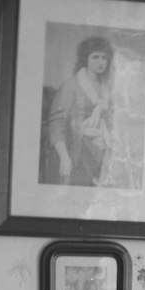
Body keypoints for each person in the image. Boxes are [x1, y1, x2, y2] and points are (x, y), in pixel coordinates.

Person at [45, 35, 115, 187]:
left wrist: (108, 138)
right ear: (86, 59)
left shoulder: (107, 90)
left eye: (104, 57)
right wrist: (64, 156)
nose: (100, 62)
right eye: (95, 57)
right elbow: (57, 123)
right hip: (76, 153)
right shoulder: (71, 85)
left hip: (102, 153)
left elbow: (111, 123)